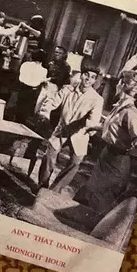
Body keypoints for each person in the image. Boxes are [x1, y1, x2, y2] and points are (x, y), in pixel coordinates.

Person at [74, 70, 137, 214]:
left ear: (122, 85)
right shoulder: (119, 106)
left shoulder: (131, 112)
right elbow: (112, 128)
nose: (116, 85)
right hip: (107, 155)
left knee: (101, 198)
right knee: (91, 192)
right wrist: (92, 126)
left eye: (118, 82)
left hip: (117, 161)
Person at [36, 61, 104, 192]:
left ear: (95, 80)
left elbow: (93, 121)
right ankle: (42, 187)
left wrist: (86, 127)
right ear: (81, 75)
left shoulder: (97, 99)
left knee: (75, 163)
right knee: (49, 156)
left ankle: (54, 191)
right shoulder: (67, 89)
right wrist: (45, 113)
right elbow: (52, 101)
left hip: (80, 134)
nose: (88, 79)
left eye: (92, 77)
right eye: (86, 75)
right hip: (62, 130)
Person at [13, 48, 48, 124]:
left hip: (21, 88)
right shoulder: (44, 70)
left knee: (17, 109)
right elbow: (40, 81)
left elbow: (21, 76)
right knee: (25, 112)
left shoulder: (25, 64)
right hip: (31, 92)